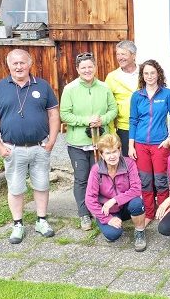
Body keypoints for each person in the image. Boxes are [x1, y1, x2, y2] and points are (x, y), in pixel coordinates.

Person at [0, 49, 60, 244]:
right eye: (15, 63)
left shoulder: (42, 86)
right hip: (13, 149)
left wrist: (51, 141)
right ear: (8, 65)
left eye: (22, 63)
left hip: (40, 147)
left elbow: (53, 115)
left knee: (42, 185)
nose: (19, 67)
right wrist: (0, 148)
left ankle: (41, 221)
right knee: (16, 188)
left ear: (30, 63)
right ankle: (17, 224)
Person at [60, 52, 118, 231]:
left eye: (90, 67)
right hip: (78, 142)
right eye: (83, 67)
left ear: (95, 68)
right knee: (82, 178)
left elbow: (113, 109)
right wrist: (86, 121)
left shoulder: (104, 87)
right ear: (77, 69)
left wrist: (102, 119)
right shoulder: (70, 89)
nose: (87, 70)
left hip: (100, 142)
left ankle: (100, 210)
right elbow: (65, 114)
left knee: (100, 177)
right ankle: (84, 213)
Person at [129, 59, 170, 225]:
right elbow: (133, 120)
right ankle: (149, 213)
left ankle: (163, 211)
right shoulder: (137, 96)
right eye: (146, 73)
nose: (150, 76)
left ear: (158, 74)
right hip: (140, 144)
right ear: (142, 76)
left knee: (160, 180)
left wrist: (169, 138)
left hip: (160, 144)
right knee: (145, 180)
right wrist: (131, 145)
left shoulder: (167, 94)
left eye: (152, 72)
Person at [85, 134, 147, 252]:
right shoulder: (96, 170)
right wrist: (107, 219)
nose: (112, 156)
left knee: (137, 203)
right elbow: (90, 199)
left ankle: (140, 232)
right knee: (113, 235)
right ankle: (110, 222)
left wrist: (114, 200)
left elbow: (136, 189)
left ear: (119, 150)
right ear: (102, 155)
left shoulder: (129, 164)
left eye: (114, 151)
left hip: (126, 207)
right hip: (108, 211)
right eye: (108, 153)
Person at [105, 40, 139, 157]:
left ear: (133, 55)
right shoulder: (112, 77)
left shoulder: (145, 73)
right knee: (126, 163)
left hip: (145, 126)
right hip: (124, 128)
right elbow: (107, 105)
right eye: (118, 54)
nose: (120, 58)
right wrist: (111, 132)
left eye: (123, 54)